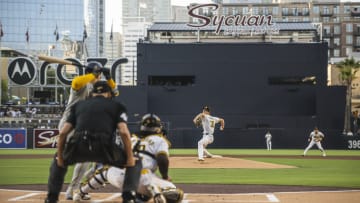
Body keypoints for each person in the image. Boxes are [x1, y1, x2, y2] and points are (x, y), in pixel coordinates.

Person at [44, 81, 141, 203]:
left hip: (78, 145)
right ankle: (128, 198)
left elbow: (63, 133)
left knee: (57, 161)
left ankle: (51, 198)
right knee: (136, 162)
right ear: (109, 94)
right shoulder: (117, 106)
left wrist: (60, 157)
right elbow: (124, 132)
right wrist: (130, 158)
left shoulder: (78, 106)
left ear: (92, 93)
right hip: (104, 147)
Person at [73, 113, 184, 203]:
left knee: (106, 171)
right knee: (176, 194)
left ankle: (80, 192)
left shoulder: (132, 139)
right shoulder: (159, 139)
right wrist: (165, 176)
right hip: (141, 178)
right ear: (158, 128)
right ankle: (153, 191)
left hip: (116, 175)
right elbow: (162, 159)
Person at [60, 61, 119, 200]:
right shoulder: (82, 84)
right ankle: (73, 189)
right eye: (98, 75)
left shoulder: (95, 87)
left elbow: (115, 91)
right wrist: (93, 74)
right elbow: (75, 82)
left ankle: (79, 188)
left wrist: (108, 77)